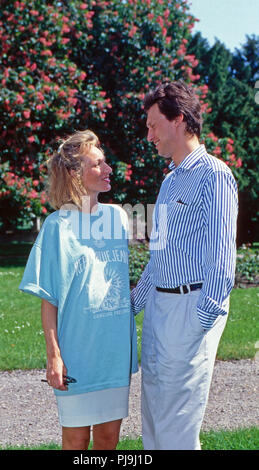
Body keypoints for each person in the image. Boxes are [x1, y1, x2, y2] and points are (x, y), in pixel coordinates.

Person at [131, 80, 238, 450]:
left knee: (177, 428)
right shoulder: (169, 183)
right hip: (160, 312)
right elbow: (159, 256)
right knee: (153, 421)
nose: (149, 135)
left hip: (189, 311)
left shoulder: (215, 175)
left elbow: (222, 262)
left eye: (152, 125)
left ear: (177, 119)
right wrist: (133, 305)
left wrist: (200, 323)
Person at [19, 130, 138, 450]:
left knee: (109, 438)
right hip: (77, 355)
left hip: (113, 353)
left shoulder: (119, 218)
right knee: (74, 439)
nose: (109, 169)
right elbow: (49, 300)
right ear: (75, 173)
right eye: (98, 164)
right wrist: (54, 357)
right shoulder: (56, 227)